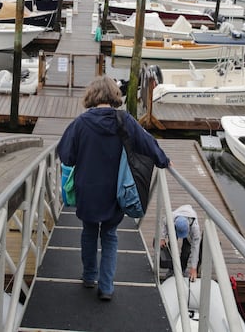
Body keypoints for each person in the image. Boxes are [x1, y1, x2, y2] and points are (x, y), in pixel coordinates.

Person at [57, 75, 171, 301]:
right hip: (115, 191)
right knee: (109, 234)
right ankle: (106, 287)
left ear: (92, 96)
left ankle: (89, 276)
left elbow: (66, 155)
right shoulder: (124, 120)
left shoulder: (80, 123)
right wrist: (163, 160)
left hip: (87, 190)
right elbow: (147, 143)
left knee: (89, 232)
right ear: (113, 96)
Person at [160, 204, 202, 281]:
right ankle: (171, 268)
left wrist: (193, 268)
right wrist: (162, 238)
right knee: (171, 246)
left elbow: (195, 248)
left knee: (186, 251)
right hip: (176, 223)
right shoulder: (170, 218)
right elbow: (164, 224)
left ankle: (182, 269)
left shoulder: (195, 228)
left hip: (189, 228)